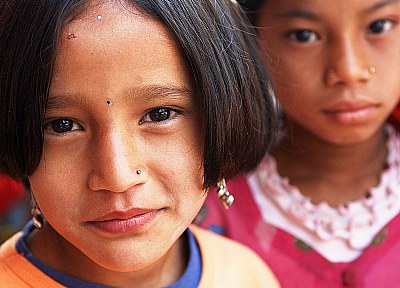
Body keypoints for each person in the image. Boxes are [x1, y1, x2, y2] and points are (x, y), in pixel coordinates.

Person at [0, 0, 280, 287]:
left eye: (160, 115)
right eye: (62, 125)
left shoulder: (245, 275)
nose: (117, 177)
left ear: (225, 113)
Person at [196, 0, 400, 287]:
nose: (349, 70)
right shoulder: (202, 217)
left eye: (379, 26)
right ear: (253, 40)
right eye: (304, 35)